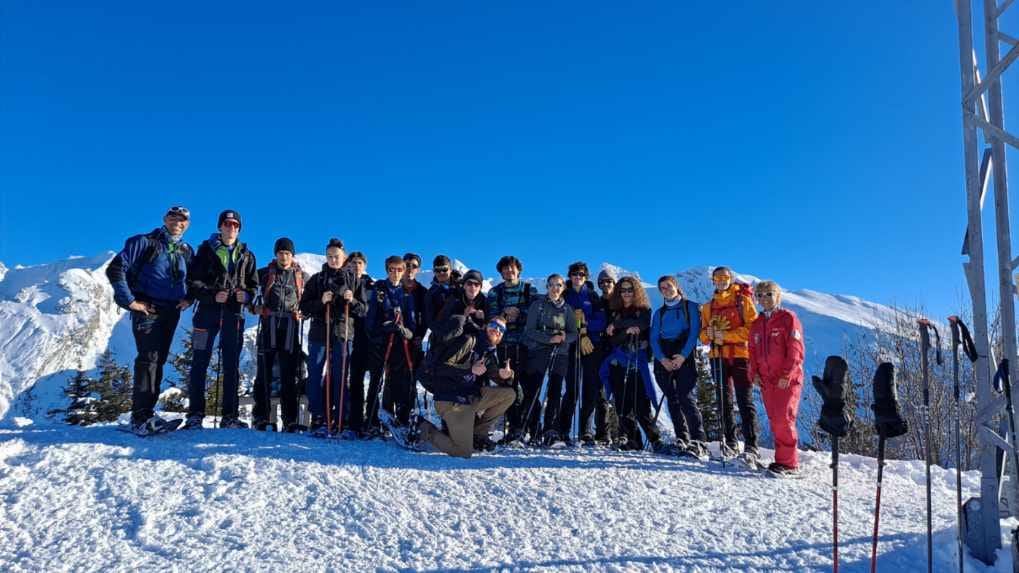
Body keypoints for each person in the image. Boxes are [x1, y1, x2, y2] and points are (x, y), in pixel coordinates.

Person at [106, 206, 194, 435]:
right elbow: (115, 268)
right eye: (174, 217)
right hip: (148, 307)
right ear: (165, 219)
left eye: (183, 219)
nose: (178, 222)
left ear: (187, 224)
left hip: (171, 310)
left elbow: (194, 279)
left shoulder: (186, 250)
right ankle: (140, 417)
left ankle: (146, 413)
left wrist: (189, 298)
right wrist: (130, 301)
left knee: (158, 359)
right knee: (149, 358)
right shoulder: (144, 242)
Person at [386, 316, 517, 457]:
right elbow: (439, 368)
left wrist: (506, 376)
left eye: (501, 329)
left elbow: (496, 376)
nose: (496, 330)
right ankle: (421, 427)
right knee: (463, 452)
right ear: (486, 326)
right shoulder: (469, 341)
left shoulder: (488, 352)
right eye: (493, 325)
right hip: (451, 399)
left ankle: (478, 435)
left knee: (509, 395)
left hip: (469, 397)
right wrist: (469, 371)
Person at [185, 209, 257, 430]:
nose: (231, 228)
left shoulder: (246, 255)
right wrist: (212, 294)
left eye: (235, 225)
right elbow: (193, 282)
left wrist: (247, 296)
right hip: (206, 313)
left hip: (234, 314)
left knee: (231, 364)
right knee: (199, 361)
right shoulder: (205, 251)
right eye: (227, 224)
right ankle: (195, 415)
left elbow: (253, 286)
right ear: (220, 226)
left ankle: (230, 416)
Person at [300, 238, 368, 437]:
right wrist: (321, 302)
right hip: (319, 333)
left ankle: (342, 418)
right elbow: (304, 307)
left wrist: (352, 300)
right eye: (329, 256)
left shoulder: (354, 280)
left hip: (342, 333)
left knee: (340, 376)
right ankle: (319, 418)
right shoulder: (317, 279)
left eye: (336, 256)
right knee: (314, 375)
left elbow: (364, 309)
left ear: (343, 257)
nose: (333, 260)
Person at [600, 276, 670, 453]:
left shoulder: (643, 309)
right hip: (618, 361)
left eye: (629, 290)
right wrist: (624, 329)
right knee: (622, 402)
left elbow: (643, 324)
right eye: (622, 290)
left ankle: (655, 439)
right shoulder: (614, 311)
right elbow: (613, 339)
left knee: (641, 403)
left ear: (636, 290)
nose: (626, 293)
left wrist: (618, 326)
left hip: (637, 361)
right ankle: (633, 439)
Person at [699, 266, 760, 465]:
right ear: (713, 281)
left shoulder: (743, 301)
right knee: (723, 400)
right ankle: (730, 441)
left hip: (741, 355)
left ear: (731, 279)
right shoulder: (708, 307)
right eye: (717, 278)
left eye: (725, 277)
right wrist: (708, 335)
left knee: (745, 400)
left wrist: (725, 336)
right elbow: (702, 334)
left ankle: (751, 445)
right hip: (717, 357)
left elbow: (753, 328)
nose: (721, 281)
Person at [251, 238, 309, 432]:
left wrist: (305, 312)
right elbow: (247, 289)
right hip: (269, 325)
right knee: (263, 372)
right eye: (281, 252)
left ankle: (290, 419)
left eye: (287, 253)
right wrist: (253, 307)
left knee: (290, 374)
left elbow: (310, 300)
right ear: (276, 254)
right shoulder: (264, 273)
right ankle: (261, 417)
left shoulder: (302, 276)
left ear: (292, 255)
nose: (284, 256)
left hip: (290, 327)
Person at [748, 280, 805, 476]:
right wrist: (753, 373)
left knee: (784, 418)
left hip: (786, 379)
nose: (764, 298)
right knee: (774, 419)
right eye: (760, 295)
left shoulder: (788, 318)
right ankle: (781, 460)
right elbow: (753, 351)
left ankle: (789, 463)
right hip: (766, 380)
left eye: (769, 294)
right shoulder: (757, 323)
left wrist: (786, 374)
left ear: (778, 296)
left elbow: (796, 350)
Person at [650, 275, 707, 458]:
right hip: (664, 356)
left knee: (685, 396)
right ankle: (681, 438)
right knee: (672, 399)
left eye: (669, 286)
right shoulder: (659, 313)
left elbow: (694, 333)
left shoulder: (690, 307)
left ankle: (698, 440)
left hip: (685, 355)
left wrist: (682, 356)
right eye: (662, 288)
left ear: (676, 286)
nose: (666, 290)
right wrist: (662, 359)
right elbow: (653, 338)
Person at [520, 274, 578, 446]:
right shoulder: (537, 305)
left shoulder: (567, 309)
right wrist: (548, 339)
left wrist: (564, 337)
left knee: (555, 390)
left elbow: (573, 333)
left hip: (560, 352)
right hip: (539, 350)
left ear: (563, 288)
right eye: (552, 285)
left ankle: (550, 430)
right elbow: (529, 330)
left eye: (558, 285)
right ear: (547, 287)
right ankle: (533, 428)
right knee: (534, 389)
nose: (555, 288)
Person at [486, 256, 538, 444]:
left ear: (519, 270)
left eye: (512, 268)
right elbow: (492, 317)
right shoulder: (494, 292)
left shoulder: (528, 290)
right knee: (508, 388)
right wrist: (504, 315)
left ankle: (533, 429)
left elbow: (535, 314)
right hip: (504, 346)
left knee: (530, 388)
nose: (509, 272)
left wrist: (519, 313)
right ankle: (514, 430)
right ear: (501, 272)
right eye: (505, 269)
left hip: (526, 346)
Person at [560, 261, 608, 446]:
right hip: (571, 345)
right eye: (574, 274)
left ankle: (586, 431)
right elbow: (558, 317)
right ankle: (563, 429)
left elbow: (602, 320)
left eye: (581, 274)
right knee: (571, 388)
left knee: (590, 388)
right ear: (570, 276)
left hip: (590, 345)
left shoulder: (593, 296)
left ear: (586, 277)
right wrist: (574, 324)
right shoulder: (564, 295)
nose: (577, 277)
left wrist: (586, 324)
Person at [366, 255, 417, 427]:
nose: (395, 273)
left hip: (400, 346)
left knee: (397, 382)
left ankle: (397, 419)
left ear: (403, 272)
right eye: (391, 269)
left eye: (399, 270)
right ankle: (372, 421)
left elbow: (412, 326)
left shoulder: (406, 295)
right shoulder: (379, 291)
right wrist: (383, 329)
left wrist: (404, 331)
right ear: (387, 270)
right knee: (377, 381)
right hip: (381, 344)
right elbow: (370, 320)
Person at [342, 251, 377, 437]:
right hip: (350, 336)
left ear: (365, 265)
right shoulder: (344, 282)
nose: (356, 266)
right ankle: (354, 422)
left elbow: (368, 310)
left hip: (370, 339)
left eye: (360, 263)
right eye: (353, 263)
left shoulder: (372, 284)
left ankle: (372, 421)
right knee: (355, 382)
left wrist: (353, 301)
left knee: (373, 383)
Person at [437, 269, 489, 335]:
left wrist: (484, 320)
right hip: (454, 340)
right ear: (464, 286)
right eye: (469, 283)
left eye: (476, 284)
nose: (473, 287)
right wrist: (463, 316)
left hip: (476, 340)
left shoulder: (485, 302)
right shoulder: (454, 299)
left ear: (480, 288)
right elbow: (442, 322)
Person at [425, 255, 457, 328]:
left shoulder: (462, 286)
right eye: (437, 270)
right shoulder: (431, 294)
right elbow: (430, 322)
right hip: (442, 332)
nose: (441, 273)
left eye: (444, 269)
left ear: (450, 269)